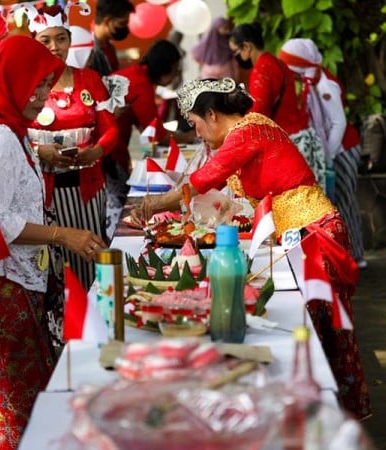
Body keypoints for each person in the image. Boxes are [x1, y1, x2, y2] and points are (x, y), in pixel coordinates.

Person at [133, 78, 371, 419]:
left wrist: (155, 204)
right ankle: (320, 412)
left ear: (212, 114)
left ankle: (325, 415)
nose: (197, 133)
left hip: (313, 232)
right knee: (317, 328)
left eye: (196, 124)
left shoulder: (249, 128)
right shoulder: (245, 134)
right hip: (296, 235)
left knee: (320, 329)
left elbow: (206, 178)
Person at [0, 34, 107, 449]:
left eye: (47, 84)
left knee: (22, 398)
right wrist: (63, 235)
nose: (43, 95)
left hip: (14, 280)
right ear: (11, 79)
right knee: (12, 404)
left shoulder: (12, 128)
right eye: (37, 84)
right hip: (0, 286)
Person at [28, 4, 118, 291]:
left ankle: (92, 321)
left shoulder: (88, 78)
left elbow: (111, 129)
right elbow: (10, 132)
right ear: (33, 42)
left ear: (70, 39)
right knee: (52, 265)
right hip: (40, 191)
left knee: (90, 256)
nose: (54, 47)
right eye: (45, 40)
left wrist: (96, 151)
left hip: (87, 189)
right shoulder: (24, 82)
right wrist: (39, 152)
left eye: (61, 38)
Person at [279, 38, 367, 267]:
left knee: (345, 202)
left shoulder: (325, 85)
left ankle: (356, 256)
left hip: (342, 149)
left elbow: (338, 123)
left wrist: (327, 157)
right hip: (331, 149)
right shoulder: (310, 82)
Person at [230, 23, 326, 189]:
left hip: (288, 144)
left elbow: (257, 115)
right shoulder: (276, 62)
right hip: (299, 138)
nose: (236, 57)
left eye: (236, 52)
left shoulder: (262, 68)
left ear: (247, 46)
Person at [106, 39, 186, 237]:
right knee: (118, 208)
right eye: (175, 69)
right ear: (164, 66)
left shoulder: (136, 75)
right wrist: (189, 135)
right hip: (109, 151)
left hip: (112, 146)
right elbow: (155, 131)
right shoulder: (140, 82)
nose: (176, 74)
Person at [88, 0, 134, 76]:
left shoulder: (109, 46)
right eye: (122, 23)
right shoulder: (89, 51)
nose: (125, 28)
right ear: (107, 21)